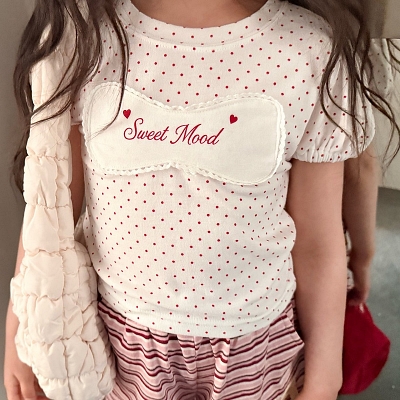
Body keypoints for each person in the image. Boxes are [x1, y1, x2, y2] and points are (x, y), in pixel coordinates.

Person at [4, 1, 400, 400]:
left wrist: (326, 373)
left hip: (255, 343)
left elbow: (317, 244)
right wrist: (21, 324)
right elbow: (49, 209)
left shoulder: (310, 51)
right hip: (118, 341)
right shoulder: (82, 37)